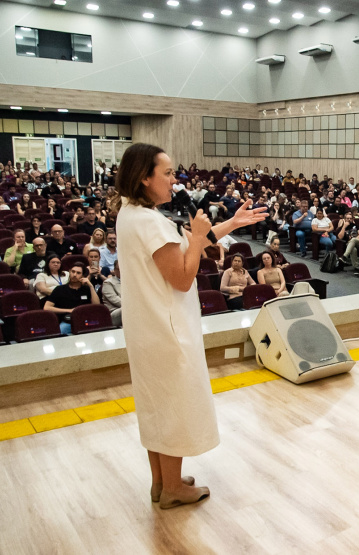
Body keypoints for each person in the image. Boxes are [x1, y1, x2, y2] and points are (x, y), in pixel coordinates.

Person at [113, 143, 265, 510]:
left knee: (155, 406)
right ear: (144, 177)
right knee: (174, 408)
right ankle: (173, 491)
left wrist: (230, 224)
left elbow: (181, 246)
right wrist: (198, 237)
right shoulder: (149, 221)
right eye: (166, 173)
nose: (173, 179)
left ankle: (161, 482)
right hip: (167, 330)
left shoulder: (131, 213)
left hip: (147, 328)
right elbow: (183, 275)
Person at [44, 264, 100, 335]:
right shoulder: (59, 289)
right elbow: (47, 308)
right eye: (73, 272)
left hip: (86, 320)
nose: (74, 275)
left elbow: (97, 306)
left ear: (83, 276)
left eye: (78, 273)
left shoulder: (87, 289)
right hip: (67, 321)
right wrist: (69, 310)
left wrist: (91, 286)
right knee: (61, 332)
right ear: (69, 272)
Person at [101, 260, 122, 326]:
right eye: (119, 269)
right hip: (114, 312)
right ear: (115, 270)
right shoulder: (108, 283)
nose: (121, 271)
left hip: (131, 308)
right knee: (126, 310)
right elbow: (116, 300)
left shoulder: (131, 282)